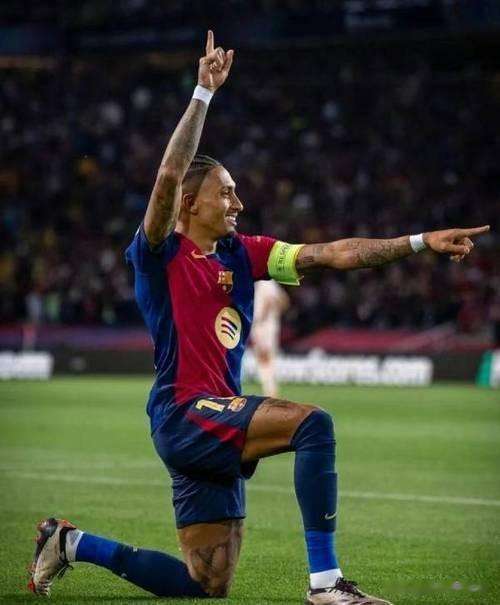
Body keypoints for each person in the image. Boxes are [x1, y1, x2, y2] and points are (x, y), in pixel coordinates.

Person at [28, 31, 489, 605]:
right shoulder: (159, 254)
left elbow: (332, 254)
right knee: (313, 425)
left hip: (211, 419)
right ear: (190, 205)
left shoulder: (242, 254)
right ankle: (326, 586)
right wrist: (203, 92)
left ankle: (69, 543)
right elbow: (168, 176)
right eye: (226, 193)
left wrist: (419, 242)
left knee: (206, 584)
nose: (238, 204)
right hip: (185, 412)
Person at [251, 279, 289, 397]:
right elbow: (284, 300)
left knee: (264, 357)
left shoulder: (265, 282)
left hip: (263, 326)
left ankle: (270, 390)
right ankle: (270, 390)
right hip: (266, 325)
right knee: (265, 357)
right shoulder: (268, 283)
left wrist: (262, 317)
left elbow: (274, 300)